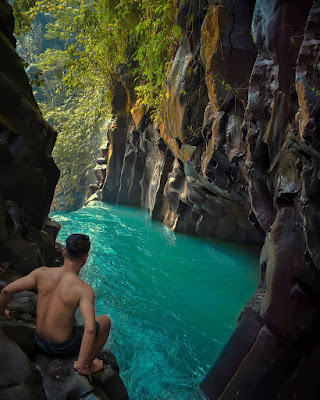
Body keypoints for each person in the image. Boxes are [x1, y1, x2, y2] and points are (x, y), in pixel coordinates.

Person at [0, 233, 111, 380]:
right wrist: (81, 364)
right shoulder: (83, 289)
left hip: (39, 340)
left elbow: (7, 290)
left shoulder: (42, 273)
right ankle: (87, 363)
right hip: (61, 348)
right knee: (105, 321)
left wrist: (2, 311)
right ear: (85, 258)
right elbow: (90, 329)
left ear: (64, 251)